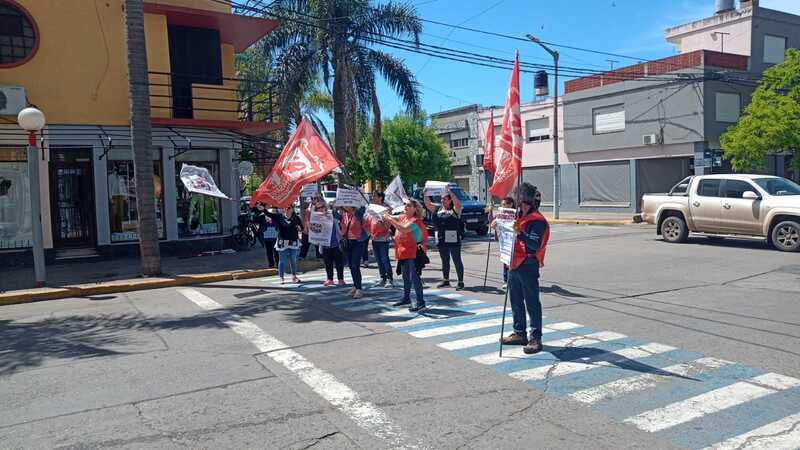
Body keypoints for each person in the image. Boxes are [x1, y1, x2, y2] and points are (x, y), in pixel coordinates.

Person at [500, 183, 551, 355]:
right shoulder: (518, 216)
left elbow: (535, 244)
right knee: (515, 300)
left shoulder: (537, 220)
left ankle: (535, 338)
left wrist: (519, 233)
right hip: (513, 262)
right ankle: (519, 332)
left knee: (531, 302)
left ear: (523, 199)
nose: (514, 199)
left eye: (516, 196)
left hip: (528, 263)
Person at [382, 199, 429, 312]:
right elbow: (393, 218)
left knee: (415, 277)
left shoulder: (416, 221)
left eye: (408, 205)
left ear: (415, 209)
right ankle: (406, 298)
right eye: (405, 205)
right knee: (405, 277)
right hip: (404, 252)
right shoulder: (403, 217)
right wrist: (386, 214)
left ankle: (420, 302)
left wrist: (389, 218)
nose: (405, 207)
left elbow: (403, 229)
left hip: (414, 252)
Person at [424, 185, 465, 290]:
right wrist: (426, 192)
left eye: (445, 199)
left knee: (456, 260)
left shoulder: (455, 209)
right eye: (441, 199)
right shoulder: (438, 209)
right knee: (444, 260)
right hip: (441, 238)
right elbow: (427, 204)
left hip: (453, 238)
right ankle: (446, 280)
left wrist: (450, 192)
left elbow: (458, 204)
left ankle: (460, 282)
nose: (442, 201)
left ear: (450, 200)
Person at [265, 205, 303, 284]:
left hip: (293, 241)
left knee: (293, 260)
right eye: (285, 207)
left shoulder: (296, 218)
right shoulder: (279, 217)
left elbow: (302, 227)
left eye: (288, 208)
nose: (286, 209)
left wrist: (300, 228)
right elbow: (269, 214)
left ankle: (294, 276)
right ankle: (281, 277)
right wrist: (263, 209)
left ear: (292, 209)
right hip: (282, 242)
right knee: (282, 260)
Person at [312, 197, 345, 287]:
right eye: (319, 208)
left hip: (335, 243)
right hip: (325, 245)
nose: (321, 209)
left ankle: (340, 279)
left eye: (322, 207)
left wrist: (333, 209)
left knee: (339, 263)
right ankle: (330, 279)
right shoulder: (316, 218)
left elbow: (340, 217)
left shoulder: (331, 214)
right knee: (328, 263)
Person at [366, 192, 394, 288]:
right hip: (374, 238)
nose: (373, 197)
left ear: (380, 197)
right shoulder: (371, 208)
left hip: (383, 238)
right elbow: (368, 221)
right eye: (372, 196)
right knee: (378, 259)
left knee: (384, 258)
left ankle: (390, 279)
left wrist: (382, 220)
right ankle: (383, 278)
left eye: (375, 196)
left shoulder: (386, 209)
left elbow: (388, 224)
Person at [340, 205, 368, 298]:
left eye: (347, 204)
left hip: (358, 242)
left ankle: (359, 289)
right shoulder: (344, 215)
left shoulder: (358, 213)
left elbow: (364, 224)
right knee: (351, 266)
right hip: (347, 242)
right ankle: (356, 286)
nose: (346, 206)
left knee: (355, 265)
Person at [489, 196, 516, 290]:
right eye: (502, 205)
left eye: (504, 204)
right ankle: (506, 280)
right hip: (503, 240)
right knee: (505, 260)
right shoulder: (500, 214)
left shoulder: (515, 214)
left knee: (511, 261)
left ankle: (513, 280)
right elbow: (492, 221)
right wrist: (490, 211)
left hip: (513, 241)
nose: (503, 206)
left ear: (510, 204)